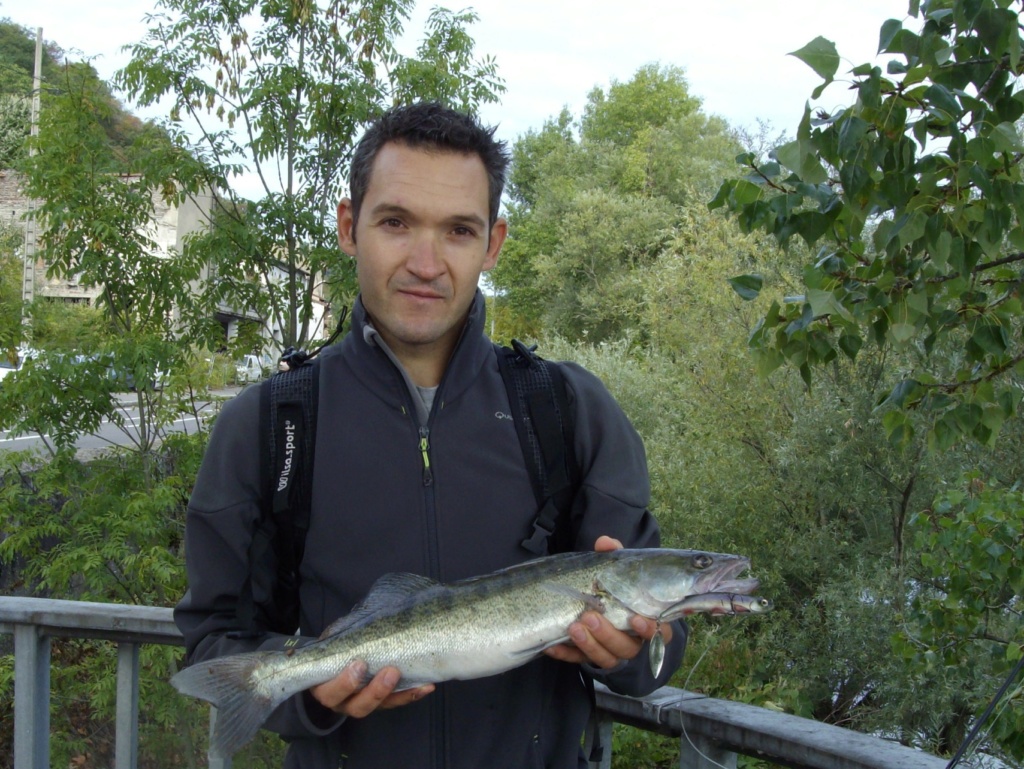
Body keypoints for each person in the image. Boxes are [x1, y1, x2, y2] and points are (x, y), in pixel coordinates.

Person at [175, 101, 686, 769]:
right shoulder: (269, 426)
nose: (426, 261)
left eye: (457, 231)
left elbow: (658, 648)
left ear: (492, 244)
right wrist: (314, 696)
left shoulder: (568, 411)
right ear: (348, 225)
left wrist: (637, 650)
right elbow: (215, 643)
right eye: (395, 222)